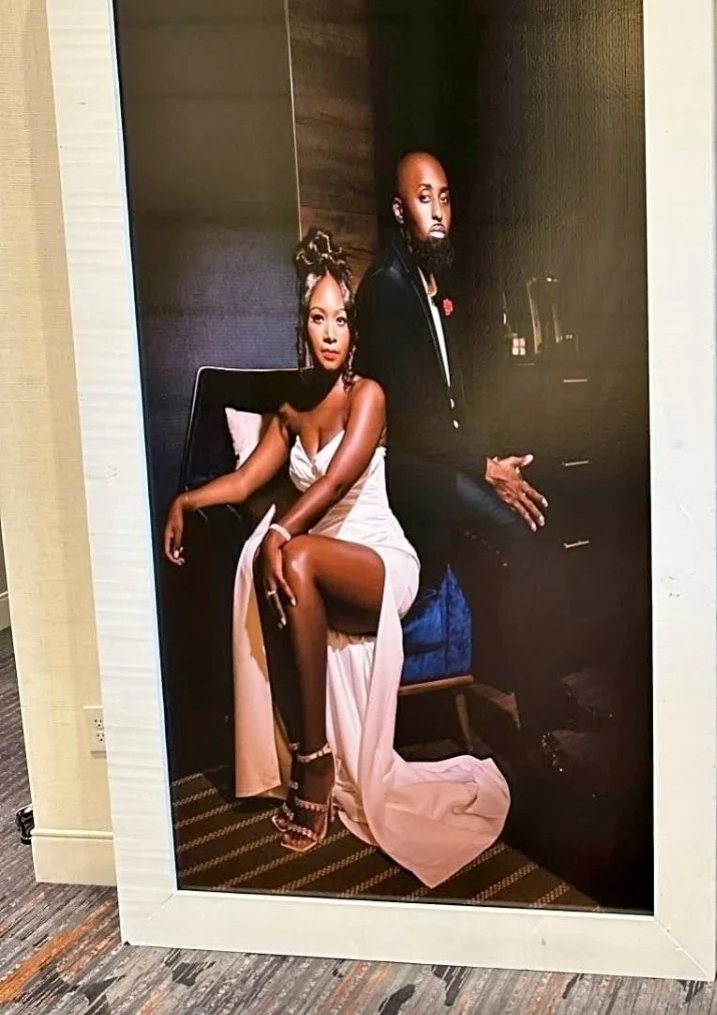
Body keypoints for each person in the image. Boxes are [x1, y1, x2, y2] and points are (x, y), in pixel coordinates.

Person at [162, 228, 509, 887]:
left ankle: (314, 762)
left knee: (292, 559)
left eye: (341, 319)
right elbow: (242, 482)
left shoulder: (368, 396)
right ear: (304, 325)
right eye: (318, 318)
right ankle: (313, 753)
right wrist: (186, 499)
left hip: (379, 559)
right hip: (319, 558)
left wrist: (276, 532)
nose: (330, 332)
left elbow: (332, 484)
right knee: (296, 562)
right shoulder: (290, 408)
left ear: (353, 330)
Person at [353, 151, 586, 752]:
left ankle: (543, 692)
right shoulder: (387, 289)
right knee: (520, 529)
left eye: (445, 197)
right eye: (423, 198)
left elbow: (457, 405)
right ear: (400, 210)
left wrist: (498, 460)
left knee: (540, 517)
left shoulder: (435, 286)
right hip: (409, 471)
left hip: (447, 460)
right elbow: (412, 417)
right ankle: (536, 722)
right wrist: (487, 471)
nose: (438, 211)